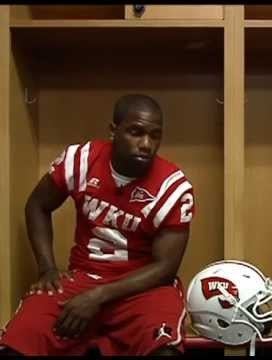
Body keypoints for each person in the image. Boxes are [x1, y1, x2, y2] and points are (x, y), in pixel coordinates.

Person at [0, 94, 195, 356]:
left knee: (164, 351)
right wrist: (47, 268)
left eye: (155, 135)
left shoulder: (173, 186)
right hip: (83, 277)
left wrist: (98, 297)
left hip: (142, 289)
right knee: (18, 342)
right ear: (114, 131)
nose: (146, 144)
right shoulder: (81, 160)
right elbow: (37, 205)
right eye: (136, 133)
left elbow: (165, 268)